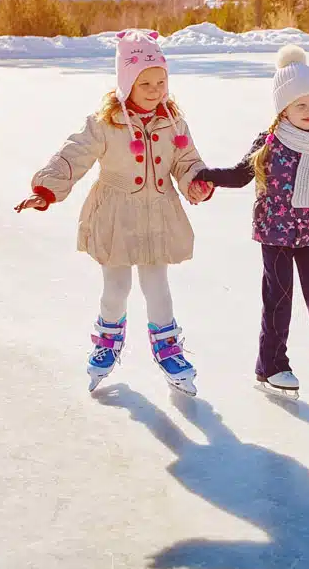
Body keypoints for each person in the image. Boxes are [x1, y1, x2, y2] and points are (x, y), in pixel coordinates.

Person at [15, 29, 213, 395]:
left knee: (157, 286)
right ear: (126, 83)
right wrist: (46, 189)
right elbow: (73, 155)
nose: (155, 90)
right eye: (145, 83)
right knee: (117, 287)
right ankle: (107, 340)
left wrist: (196, 183)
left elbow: (187, 161)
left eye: (160, 81)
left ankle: (168, 349)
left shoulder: (173, 122)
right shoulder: (104, 123)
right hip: (116, 216)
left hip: (157, 214)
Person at [193, 45, 309, 396]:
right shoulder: (269, 143)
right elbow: (239, 175)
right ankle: (271, 365)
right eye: (301, 105)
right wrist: (206, 175)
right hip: (275, 236)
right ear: (283, 107)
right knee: (278, 299)